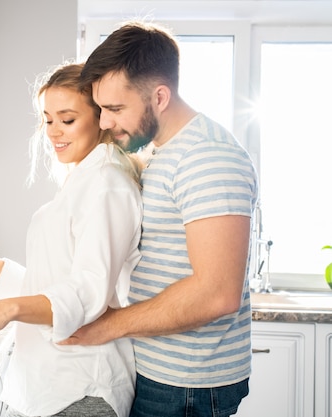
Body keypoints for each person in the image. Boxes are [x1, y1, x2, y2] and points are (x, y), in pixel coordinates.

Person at [59, 21, 259, 417]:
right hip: (162, 370)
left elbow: (217, 293)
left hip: (187, 383)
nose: (103, 123)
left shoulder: (207, 157)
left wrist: (110, 325)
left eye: (115, 109)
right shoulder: (163, 152)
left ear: (160, 96)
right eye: (101, 109)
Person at [0, 63, 142, 417]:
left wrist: (5, 309)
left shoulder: (107, 184)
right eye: (48, 120)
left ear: (100, 118)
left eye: (67, 119)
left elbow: (87, 291)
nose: (54, 132)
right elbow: (51, 280)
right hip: (50, 384)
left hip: (81, 388)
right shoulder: (84, 179)